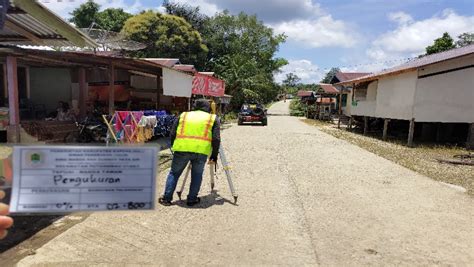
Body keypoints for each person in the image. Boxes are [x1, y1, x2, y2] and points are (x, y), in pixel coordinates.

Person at [159, 99, 220, 206]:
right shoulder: (213, 118)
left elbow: (173, 133)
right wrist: (214, 156)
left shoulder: (183, 115)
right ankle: (192, 199)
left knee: (174, 173)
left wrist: (174, 146)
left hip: (181, 149)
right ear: (208, 108)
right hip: (201, 151)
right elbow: (216, 139)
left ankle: (166, 199)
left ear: (194, 106)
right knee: (197, 175)